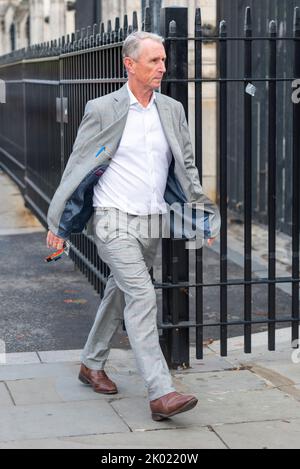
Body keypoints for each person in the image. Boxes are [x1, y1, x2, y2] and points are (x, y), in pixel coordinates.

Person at [46, 31, 221, 421]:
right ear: (130, 64)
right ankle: (161, 393)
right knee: (142, 295)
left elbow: (186, 168)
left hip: (151, 221)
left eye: (163, 60)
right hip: (112, 219)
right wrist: (58, 222)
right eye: (154, 61)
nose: (163, 67)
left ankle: (91, 363)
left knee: (120, 292)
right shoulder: (103, 108)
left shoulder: (172, 110)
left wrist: (202, 214)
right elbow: (78, 166)